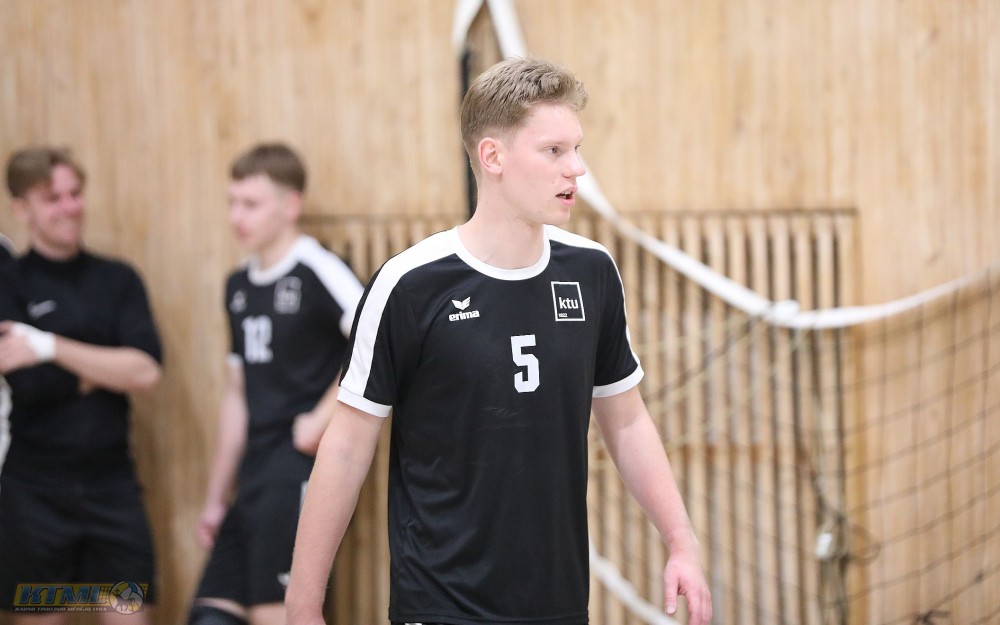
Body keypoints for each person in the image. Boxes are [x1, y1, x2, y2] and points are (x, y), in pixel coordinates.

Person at [285, 58, 713, 625]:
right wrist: (302, 604)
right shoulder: (409, 284)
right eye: (554, 151)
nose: (577, 168)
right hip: (440, 604)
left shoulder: (591, 272)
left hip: (559, 604)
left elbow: (627, 421)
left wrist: (681, 541)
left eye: (576, 148)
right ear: (493, 157)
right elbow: (346, 447)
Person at [188, 143, 364, 625]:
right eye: (232, 202)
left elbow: (375, 341)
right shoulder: (237, 286)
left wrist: (322, 418)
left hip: (297, 471)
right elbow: (237, 394)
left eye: (250, 204)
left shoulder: (316, 269)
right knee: (209, 615)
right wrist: (215, 496)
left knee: (280, 614)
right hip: (253, 474)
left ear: (290, 206)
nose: (236, 216)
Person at [0, 147, 163, 624]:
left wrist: (49, 346)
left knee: (129, 611)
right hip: (33, 495)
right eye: (52, 198)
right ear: (21, 208)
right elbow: (29, 386)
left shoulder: (118, 279)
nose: (70, 207)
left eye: (75, 193)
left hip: (113, 488)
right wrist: (103, 368)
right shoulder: (10, 281)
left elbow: (145, 372)